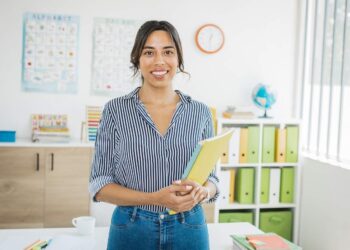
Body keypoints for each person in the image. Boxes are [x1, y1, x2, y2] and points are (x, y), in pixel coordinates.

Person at [89, 20, 220, 250]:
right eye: (149, 52)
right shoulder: (115, 111)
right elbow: (100, 186)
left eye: (168, 51)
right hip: (131, 228)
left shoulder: (200, 113)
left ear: (178, 59)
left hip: (189, 226)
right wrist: (154, 199)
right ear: (137, 60)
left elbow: (213, 181)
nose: (159, 61)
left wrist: (203, 191)